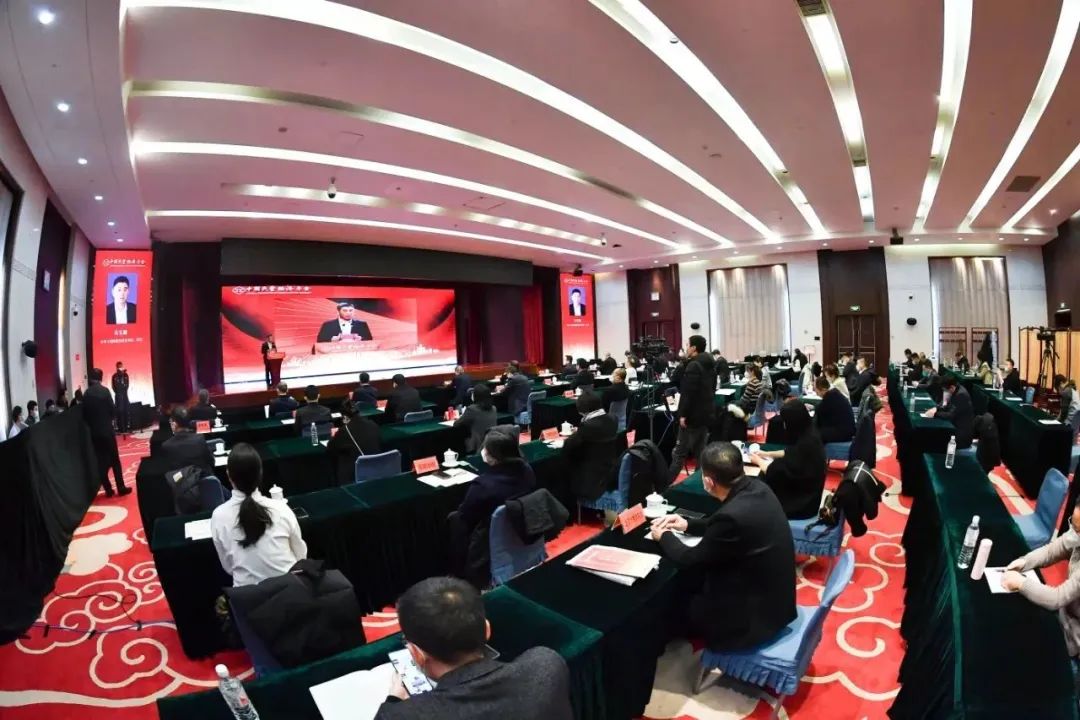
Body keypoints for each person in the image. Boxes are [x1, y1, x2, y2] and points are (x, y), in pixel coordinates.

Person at [650, 442, 796, 651]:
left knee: (668, 604)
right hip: (776, 602)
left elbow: (689, 559)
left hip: (752, 620)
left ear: (708, 481)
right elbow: (723, 525)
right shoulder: (758, 488)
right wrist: (687, 524)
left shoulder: (732, 517)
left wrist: (663, 535)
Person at [374, 576, 572, 720]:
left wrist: (394, 700)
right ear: (487, 629)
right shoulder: (547, 664)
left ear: (416, 654)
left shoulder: (399, 715)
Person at [210, 443, 307, 587]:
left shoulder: (218, 516)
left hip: (247, 596)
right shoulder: (280, 508)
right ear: (260, 473)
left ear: (228, 475)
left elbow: (228, 567)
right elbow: (301, 556)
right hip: (289, 590)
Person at [450, 427, 537, 586]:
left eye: (485, 448)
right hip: (522, 528)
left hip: (488, 540)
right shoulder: (527, 470)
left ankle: (459, 573)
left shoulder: (483, 484)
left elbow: (465, 515)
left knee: (455, 519)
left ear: (493, 456)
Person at [1000, 497, 1080, 665]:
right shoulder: (1077, 532)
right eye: (1075, 527)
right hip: (1064, 616)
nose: (1075, 534)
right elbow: (1052, 550)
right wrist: (1025, 561)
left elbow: (1057, 598)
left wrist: (1021, 583)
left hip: (1074, 640)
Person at [750, 401, 826, 519]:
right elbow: (790, 452)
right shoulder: (809, 433)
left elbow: (775, 471)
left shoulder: (806, 444)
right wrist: (766, 453)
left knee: (755, 488)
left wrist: (758, 461)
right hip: (807, 494)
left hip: (801, 503)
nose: (784, 426)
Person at [667, 335, 717, 481]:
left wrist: (683, 414)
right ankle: (699, 482)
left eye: (687, 345)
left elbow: (688, 393)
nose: (686, 348)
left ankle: (665, 486)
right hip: (706, 412)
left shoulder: (693, 365)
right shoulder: (710, 363)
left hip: (692, 415)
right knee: (701, 452)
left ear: (694, 348)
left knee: (679, 453)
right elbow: (713, 388)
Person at [81, 368, 131, 496]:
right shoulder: (105, 391)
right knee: (115, 460)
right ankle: (121, 487)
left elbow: (84, 415)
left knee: (100, 461)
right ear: (101, 378)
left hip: (94, 433)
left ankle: (108, 489)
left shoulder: (86, 394)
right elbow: (113, 410)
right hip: (107, 431)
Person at [564, 391, 621, 500]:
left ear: (583, 410)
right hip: (610, 471)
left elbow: (568, 447)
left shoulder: (587, 426)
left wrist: (575, 434)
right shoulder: (613, 418)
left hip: (590, 480)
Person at [327, 400, 382, 484]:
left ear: (344, 417)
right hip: (377, 469)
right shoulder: (373, 424)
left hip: (356, 473)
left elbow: (331, 447)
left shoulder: (345, 430)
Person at [159, 406, 215, 476]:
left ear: (174, 424)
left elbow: (167, 472)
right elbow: (211, 462)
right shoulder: (199, 439)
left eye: (170, 422)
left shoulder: (166, 446)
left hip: (181, 482)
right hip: (204, 479)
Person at [923, 374, 974, 448]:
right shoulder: (955, 389)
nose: (945, 392)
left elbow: (951, 415)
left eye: (945, 390)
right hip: (954, 426)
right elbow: (945, 405)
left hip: (960, 435)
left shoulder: (961, 395)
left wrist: (935, 414)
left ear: (952, 387)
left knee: (934, 440)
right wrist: (936, 408)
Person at [454, 383, 498, 453]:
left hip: (477, 445)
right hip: (492, 444)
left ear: (476, 396)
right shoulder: (494, 408)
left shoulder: (472, 409)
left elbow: (456, 424)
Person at [814, 375, 856, 444]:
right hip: (848, 429)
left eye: (816, 390)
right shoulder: (834, 393)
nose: (816, 393)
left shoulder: (828, 400)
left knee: (814, 434)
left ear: (823, 389)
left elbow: (819, 422)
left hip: (844, 433)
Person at [111, 361, 130, 433]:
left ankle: (126, 426)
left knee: (126, 410)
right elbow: (113, 387)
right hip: (118, 396)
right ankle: (120, 428)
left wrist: (124, 391)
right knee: (119, 411)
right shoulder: (114, 376)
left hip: (125, 395)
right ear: (117, 367)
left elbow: (127, 385)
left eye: (121, 366)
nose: (121, 368)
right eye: (119, 367)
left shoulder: (125, 375)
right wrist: (118, 392)